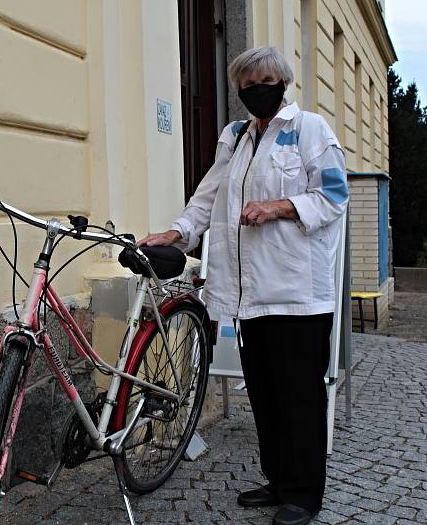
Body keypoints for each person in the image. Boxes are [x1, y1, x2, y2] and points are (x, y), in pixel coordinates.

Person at [139, 46, 347, 525]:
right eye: (249, 82)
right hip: (247, 295)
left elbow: (334, 195)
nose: (258, 88)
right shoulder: (234, 138)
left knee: (300, 397)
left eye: (266, 80)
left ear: (284, 82)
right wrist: (176, 233)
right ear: (238, 89)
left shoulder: (309, 130)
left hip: (297, 293)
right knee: (268, 395)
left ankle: (304, 495)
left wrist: (278, 207)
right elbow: (207, 199)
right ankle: (278, 480)